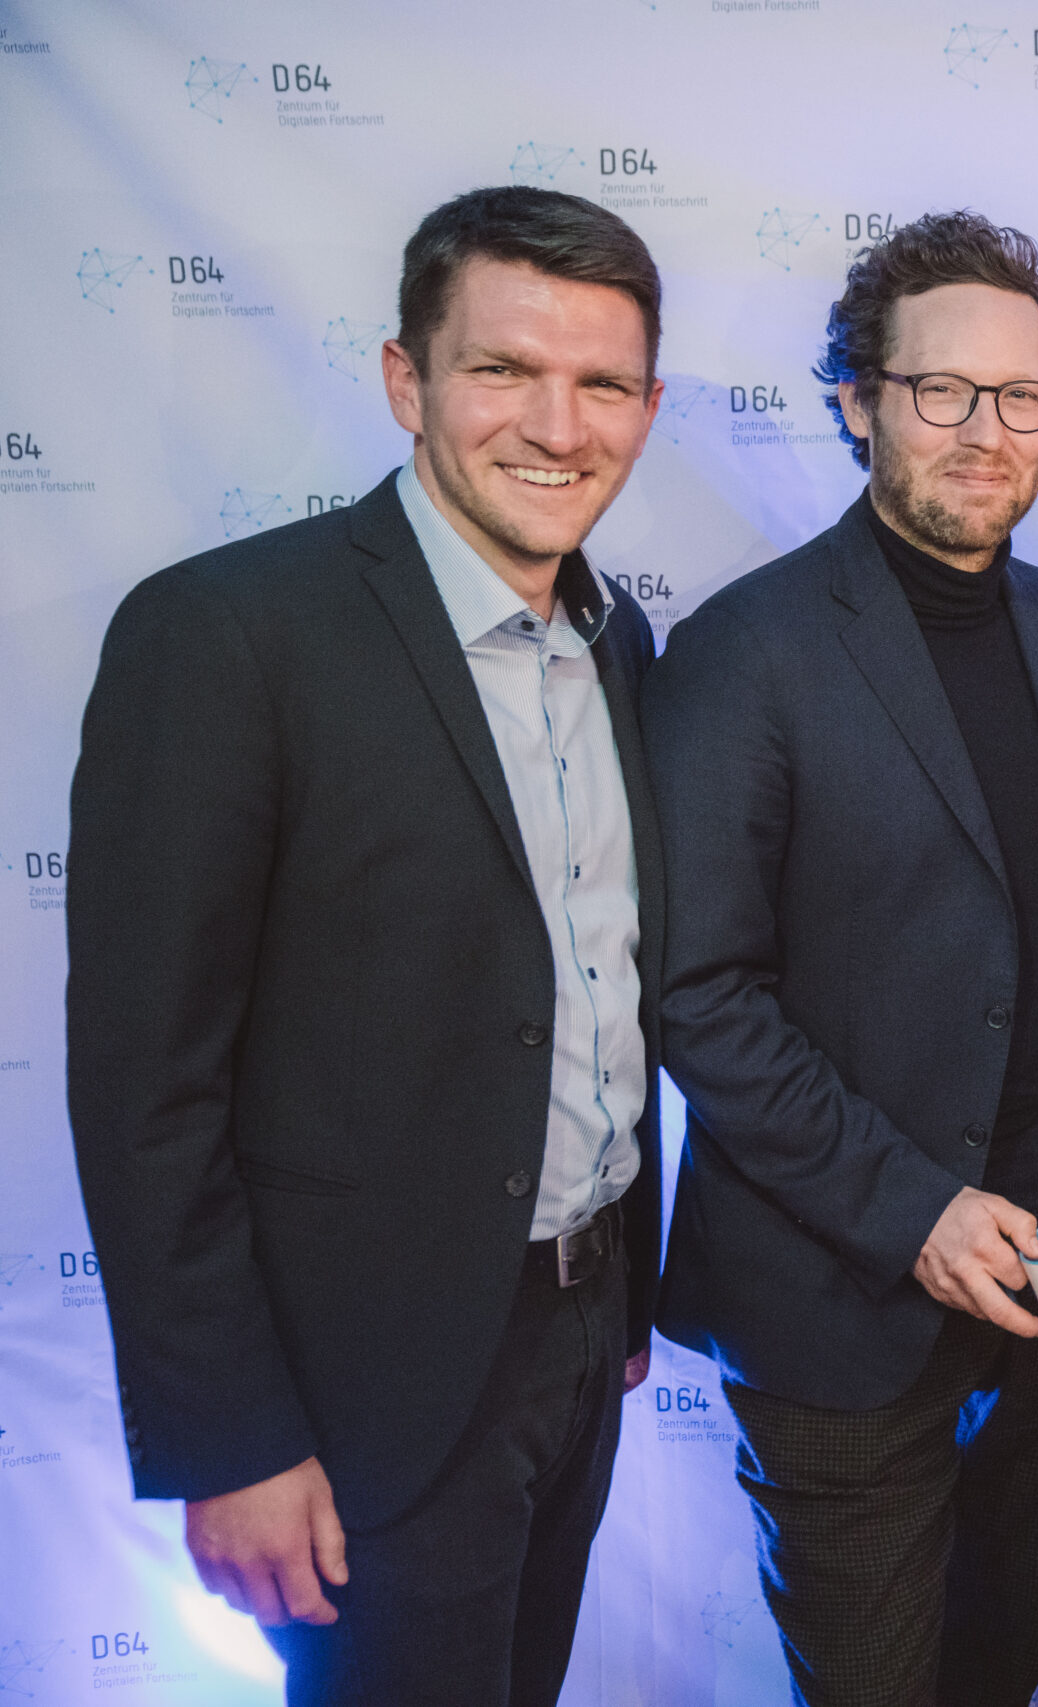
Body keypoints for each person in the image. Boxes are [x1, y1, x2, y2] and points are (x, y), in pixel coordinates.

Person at [66, 186, 668, 1705]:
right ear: (406, 380)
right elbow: (149, 1083)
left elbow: (592, 981)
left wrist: (621, 1295)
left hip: (584, 1336)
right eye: (502, 372)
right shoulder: (227, 637)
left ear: (649, 408)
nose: (558, 424)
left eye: (602, 385)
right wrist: (234, 1439)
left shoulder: (620, 641)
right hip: (361, 1391)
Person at [643, 210, 1038, 1707]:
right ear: (857, 402)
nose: (987, 431)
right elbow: (698, 997)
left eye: (1021, 395)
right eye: (942, 392)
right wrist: (913, 1208)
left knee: (1005, 1659)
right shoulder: (745, 650)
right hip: (842, 1296)